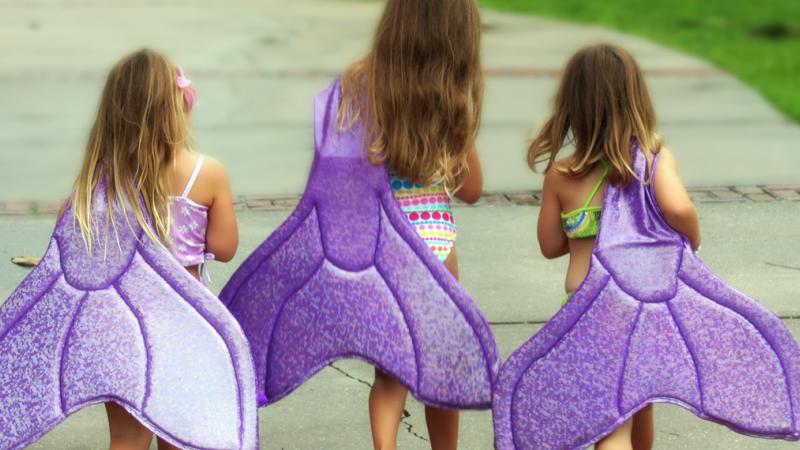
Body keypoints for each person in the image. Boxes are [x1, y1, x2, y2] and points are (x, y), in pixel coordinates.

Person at [531, 43, 700, 450]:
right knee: (638, 403)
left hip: (589, 309)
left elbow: (551, 245)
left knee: (610, 419)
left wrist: (583, 229)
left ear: (572, 104)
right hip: (639, 307)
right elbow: (678, 206)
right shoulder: (651, 160)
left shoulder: (562, 173)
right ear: (635, 98)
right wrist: (691, 242)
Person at [70, 48, 238, 450]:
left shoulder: (98, 180)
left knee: (126, 439)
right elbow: (224, 247)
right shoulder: (206, 173)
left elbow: (74, 244)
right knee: (179, 436)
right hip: (182, 326)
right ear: (178, 105)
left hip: (119, 326)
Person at [338, 1, 484, 448]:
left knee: (391, 369)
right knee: (443, 367)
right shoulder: (449, 97)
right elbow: (473, 188)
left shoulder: (360, 86)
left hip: (382, 246)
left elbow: (343, 174)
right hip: (436, 248)